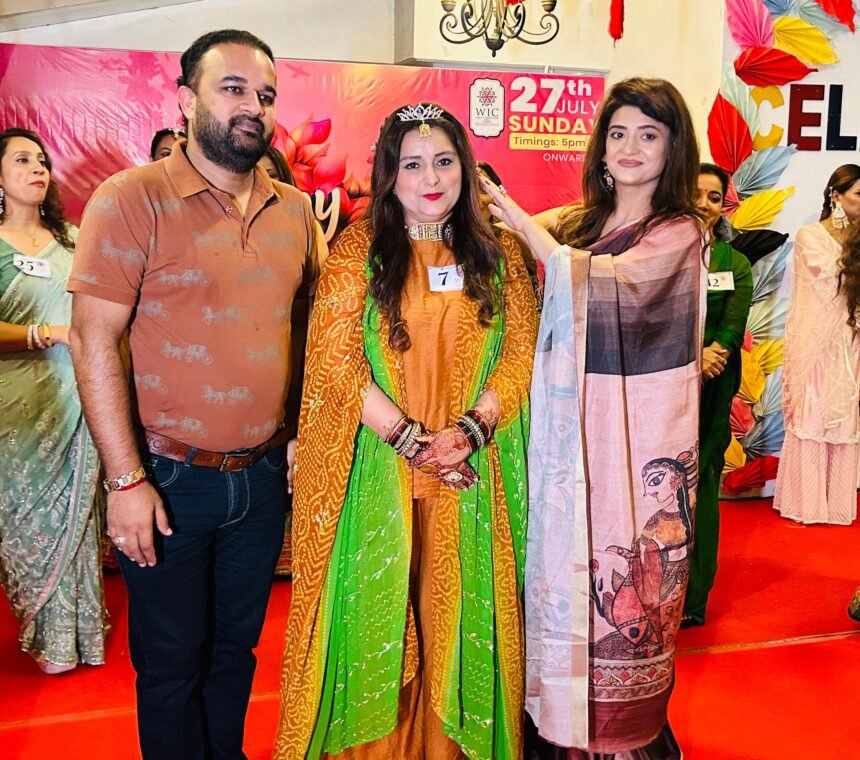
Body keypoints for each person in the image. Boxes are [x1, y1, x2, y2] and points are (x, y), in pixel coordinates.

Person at [68, 29, 325, 760]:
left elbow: (312, 332)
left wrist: (302, 435)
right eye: (233, 88)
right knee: (172, 663)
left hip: (263, 479)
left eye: (265, 95)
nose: (254, 107)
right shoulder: (131, 198)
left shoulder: (294, 211)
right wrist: (125, 481)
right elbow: (91, 339)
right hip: (167, 479)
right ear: (185, 101)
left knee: (236, 651)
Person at [276, 103, 537, 760]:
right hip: (380, 470)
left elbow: (521, 354)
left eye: (444, 161)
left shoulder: (500, 253)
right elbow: (335, 358)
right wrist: (412, 441)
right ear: (389, 174)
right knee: (379, 620)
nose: (431, 178)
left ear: (465, 168)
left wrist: (470, 431)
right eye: (413, 164)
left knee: (456, 619)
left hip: (471, 470)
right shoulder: (357, 253)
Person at [483, 77, 705, 758]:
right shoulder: (580, 223)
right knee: (555, 569)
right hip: (558, 439)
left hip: (628, 448)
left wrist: (523, 223)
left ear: (672, 149)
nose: (630, 148)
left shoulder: (678, 233)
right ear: (601, 148)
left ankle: (614, 734)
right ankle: (551, 722)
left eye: (648, 134)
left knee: (623, 575)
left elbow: (606, 286)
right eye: (618, 133)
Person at [0, 127, 107, 675]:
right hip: (17, 409)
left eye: (41, 160)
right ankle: (42, 630)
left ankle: (77, 639)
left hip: (77, 401)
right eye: (22, 160)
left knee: (77, 519)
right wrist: (44, 333)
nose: (36, 168)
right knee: (26, 521)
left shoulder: (72, 239)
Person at [683, 163, 753, 627]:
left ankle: (693, 598)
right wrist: (688, 357)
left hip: (714, 381)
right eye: (696, 194)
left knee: (703, 477)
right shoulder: (657, 250)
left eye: (714, 197)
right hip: (663, 379)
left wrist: (712, 355)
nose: (704, 205)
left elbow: (732, 323)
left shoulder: (735, 262)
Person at [773, 163, 860, 526]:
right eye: (859, 194)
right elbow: (831, 281)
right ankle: (806, 502)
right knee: (813, 413)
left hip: (850, 341)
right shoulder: (810, 235)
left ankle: (837, 504)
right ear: (836, 196)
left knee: (844, 416)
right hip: (816, 343)